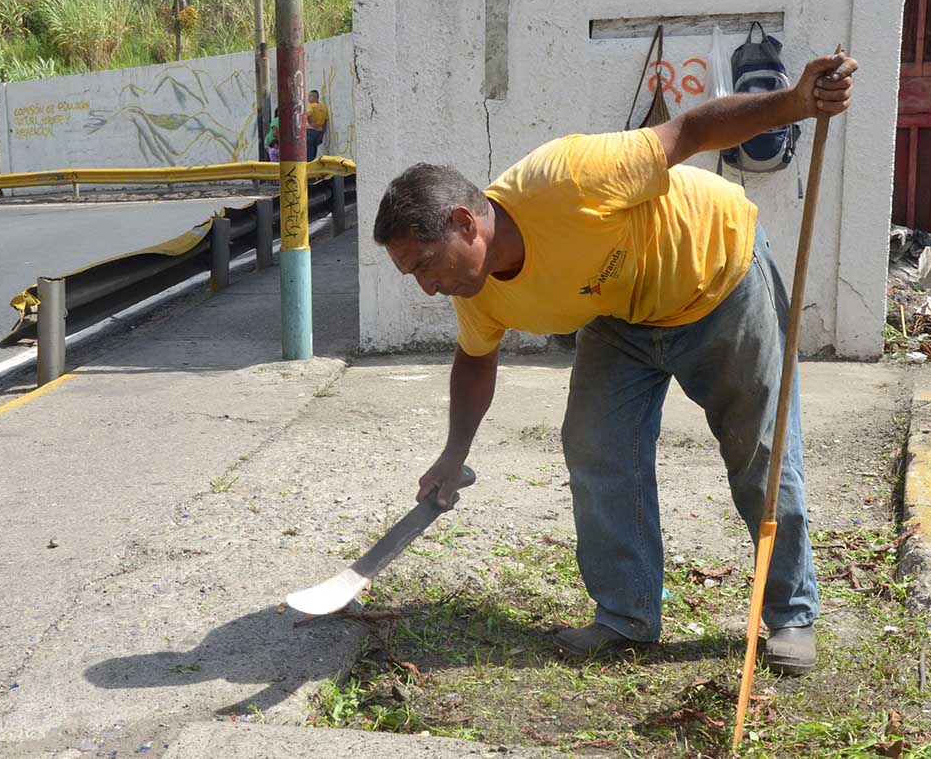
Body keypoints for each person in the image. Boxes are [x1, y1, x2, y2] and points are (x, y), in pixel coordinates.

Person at [373, 52, 858, 677]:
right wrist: (452, 452)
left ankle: (790, 612)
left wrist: (795, 103)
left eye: (424, 266)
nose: (426, 288)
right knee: (597, 446)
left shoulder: (566, 178)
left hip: (717, 275)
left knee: (759, 450)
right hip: (623, 317)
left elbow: (692, 132)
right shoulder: (479, 288)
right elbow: (474, 363)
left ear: (466, 223)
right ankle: (627, 615)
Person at [305, 89, 328, 162]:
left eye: (310, 96)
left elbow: (308, 114)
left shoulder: (311, 106)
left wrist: (309, 122)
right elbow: (326, 121)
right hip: (319, 132)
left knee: (308, 153)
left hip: (310, 131)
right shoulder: (323, 107)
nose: (308, 98)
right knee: (314, 151)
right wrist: (322, 132)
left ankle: (308, 169)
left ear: (315, 97)